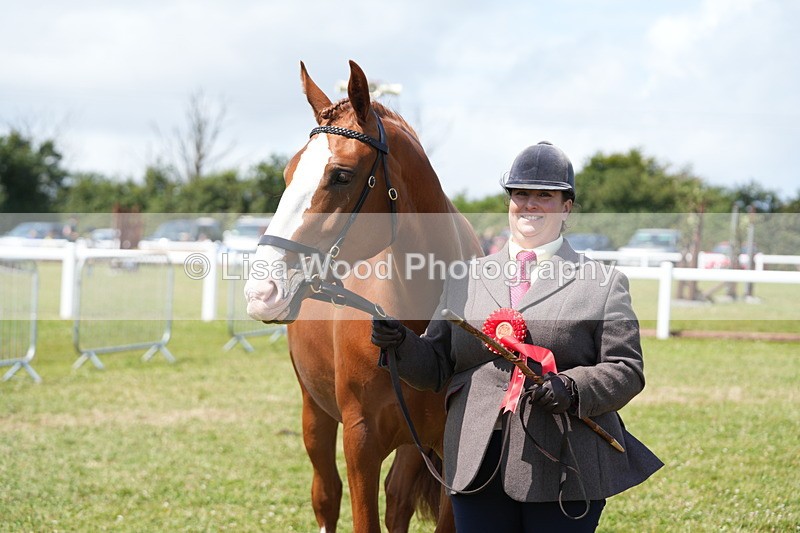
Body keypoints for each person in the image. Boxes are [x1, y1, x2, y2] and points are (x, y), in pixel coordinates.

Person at [372, 141, 662, 532]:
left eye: (545, 196)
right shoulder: (464, 277)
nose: (530, 205)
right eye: (521, 194)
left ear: (567, 207)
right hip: (475, 457)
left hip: (563, 457)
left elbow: (626, 369)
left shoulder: (603, 283)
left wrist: (573, 387)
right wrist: (402, 345)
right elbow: (437, 367)